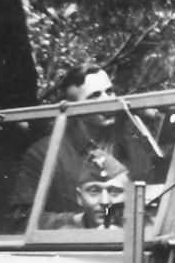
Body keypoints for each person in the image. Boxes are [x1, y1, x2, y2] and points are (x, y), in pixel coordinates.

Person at [11, 66, 129, 221]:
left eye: (109, 91)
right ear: (72, 108)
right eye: (95, 96)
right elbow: (22, 219)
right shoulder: (44, 153)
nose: (107, 100)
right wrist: (79, 221)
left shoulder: (129, 143)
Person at [46, 152, 130, 230]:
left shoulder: (140, 227)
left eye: (114, 191)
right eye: (94, 191)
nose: (105, 202)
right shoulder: (59, 227)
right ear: (79, 197)